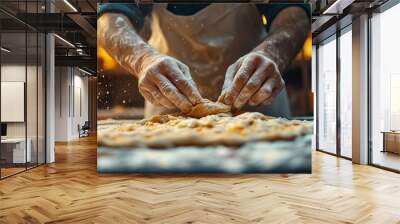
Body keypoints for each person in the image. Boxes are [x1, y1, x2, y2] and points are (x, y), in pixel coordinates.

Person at [98, 3, 310, 118]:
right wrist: (143, 59)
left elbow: (295, 15)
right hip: (170, 101)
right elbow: (108, 21)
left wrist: (271, 53)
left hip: (257, 100)